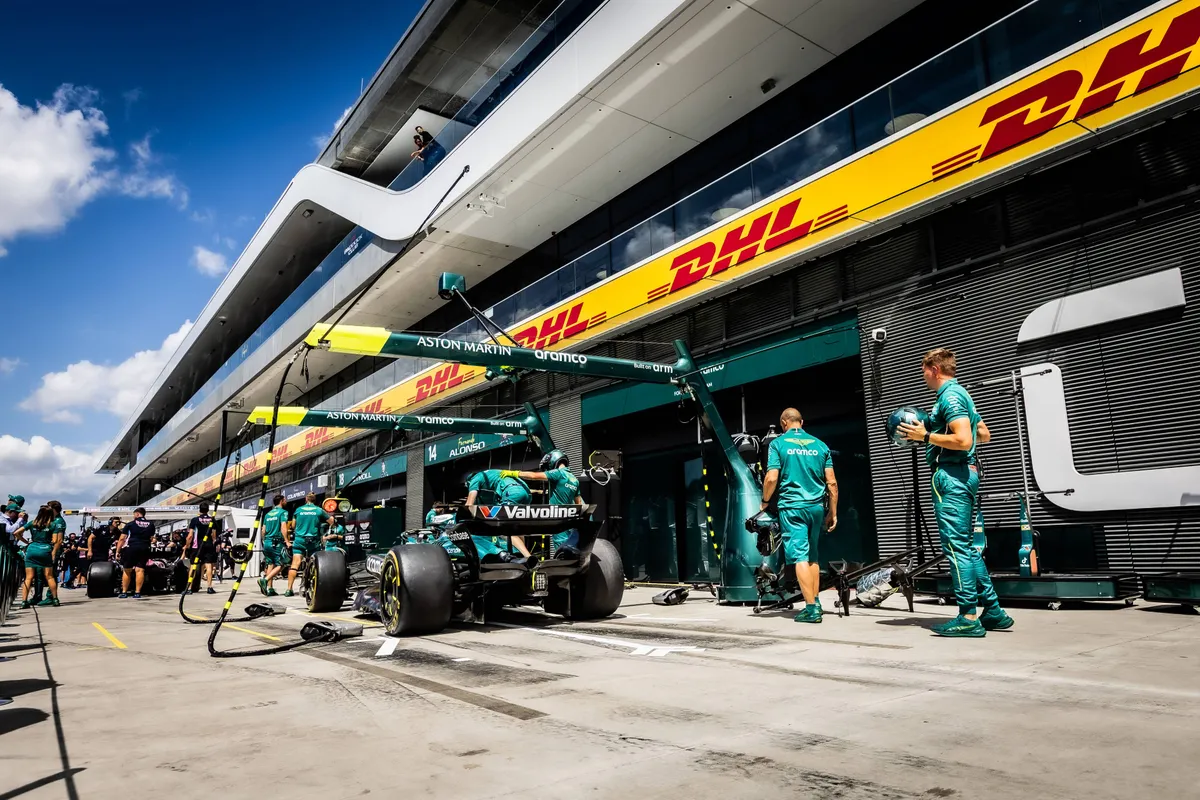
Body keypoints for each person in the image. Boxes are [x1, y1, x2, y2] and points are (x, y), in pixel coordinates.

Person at [899, 347, 1012, 638]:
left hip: (952, 476)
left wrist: (924, 435)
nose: (923, 375)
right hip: (965, 474)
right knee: (965, 546)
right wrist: (939, 432)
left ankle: (967, 617)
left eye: (924, 369)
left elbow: (963, 440)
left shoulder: (949, 396)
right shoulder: (962, 395)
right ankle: (994, 611)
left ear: (934, 369)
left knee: (956, 548)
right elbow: (983, 434)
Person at [760, 408, 838, 623]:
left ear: (784, 423)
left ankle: (811, 609)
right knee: (812, 557)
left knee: (799, 557)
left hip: (793, 507)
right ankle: (816, 602)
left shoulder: (778, 444)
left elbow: (771, 478)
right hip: (816, 508)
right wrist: (833, 511)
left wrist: (765, 501)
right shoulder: (820, 445)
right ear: (801, 422)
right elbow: (831, 482)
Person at [504, 450, 585, 554]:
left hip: (559, 518)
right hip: (570, 520)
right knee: (573, 550)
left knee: (562, 552)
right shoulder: (574, 479)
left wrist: (514, 473)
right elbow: (579, 503)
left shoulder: (558, 473)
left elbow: (534, 476)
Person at [466, 469, 534, 559]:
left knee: (501, 529)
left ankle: (528, 557)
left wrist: (464, 518)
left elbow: (469, 504)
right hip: (527, 493)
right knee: (516, 527)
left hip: (511, 492)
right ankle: (520, 554)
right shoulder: (491, 476)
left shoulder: (475, 479)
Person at [285, 493, 333, 597]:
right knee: (315, 564)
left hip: (299, 540)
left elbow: (293, 525)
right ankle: (313, 587)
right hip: (313, 541)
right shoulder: (319, 510)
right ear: (315, 500)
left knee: (295, 564)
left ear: (306, 499)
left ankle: (289, 590)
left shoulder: (298, 510)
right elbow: (332, 522)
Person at [18, 505, 61, 608]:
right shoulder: (53, 524)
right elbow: (55, 540)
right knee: (49, 576)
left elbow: (17, 533)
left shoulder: (32, 523)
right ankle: (55, 599)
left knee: (29, 577)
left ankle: (24, 601)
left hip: (32, 549)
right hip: (45, 550)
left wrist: (26, 542)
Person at [115, 508, 155, 598]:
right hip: (145, 547)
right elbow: (152, 538)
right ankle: (137, 593)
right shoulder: (151, 524)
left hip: (131, 547)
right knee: (140, 570)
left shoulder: (131, 524)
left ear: (137, 514)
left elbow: (122, 538)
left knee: (127, 570)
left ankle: (124, 592)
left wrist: (118, 550)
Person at [184, 503, 220, 594]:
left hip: (197, 545)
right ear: (208, 510)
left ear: (199, 510)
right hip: (208, 544)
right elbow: (214, 535)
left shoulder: (195, 520)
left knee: (193, 566)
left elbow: (190, 535)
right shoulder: (212, 519)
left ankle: (189, 589)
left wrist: (187, 546)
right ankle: (209, 587)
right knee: (208, 566)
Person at [258, 495, 289, 596]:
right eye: (285, 500)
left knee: (270, 564)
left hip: (267, 542)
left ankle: (270, 589)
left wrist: (264, 540)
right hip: (276, 542)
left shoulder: (268, 514)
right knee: (281, 564)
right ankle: (265, 580)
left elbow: (263, 530)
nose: (286, 501)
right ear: (281, 501)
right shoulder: (283, 513)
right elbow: (283, 527)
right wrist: (287, 541)